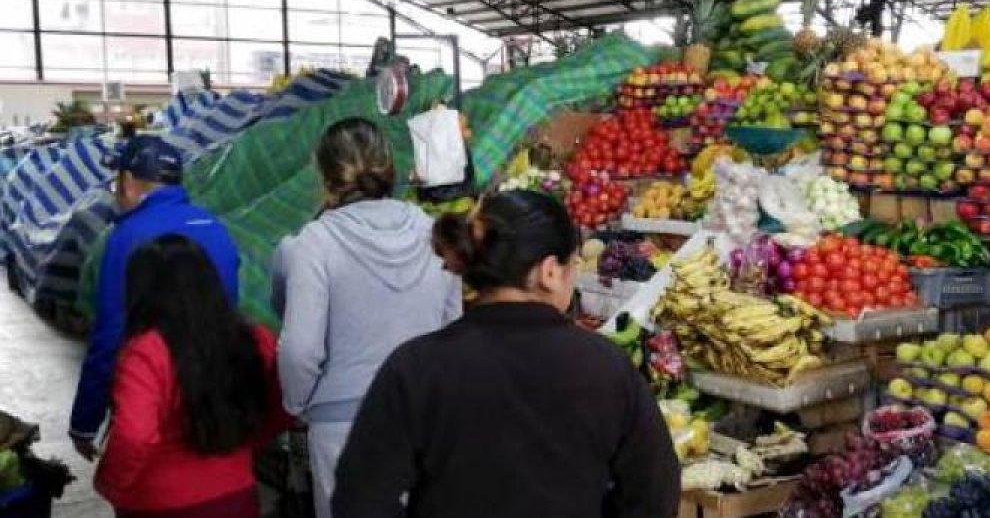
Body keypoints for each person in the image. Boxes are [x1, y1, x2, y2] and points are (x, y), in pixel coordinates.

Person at [332, 190, 681, 518]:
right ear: (549, 271)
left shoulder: (416, 367)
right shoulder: (608, 369)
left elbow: (360, 498)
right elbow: (654, 492)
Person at [273, 117, 461, 518]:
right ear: (391, 169)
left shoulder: (315, 243)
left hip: (344, 430)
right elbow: (452, 330)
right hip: (427, 420)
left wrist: (298, 403)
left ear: (325, 178)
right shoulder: (433, 232)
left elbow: (300, 349)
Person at [70, 135, 240, 460]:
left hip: (150, 396)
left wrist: (85, 422)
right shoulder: (214, 226)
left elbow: (109, 334)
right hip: (213, 398)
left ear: (130, 182)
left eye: (115, 180)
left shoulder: (128, 235)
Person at [95, 235, 288, 517]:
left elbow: (135, 435)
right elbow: (284, 405)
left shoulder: (147, 352)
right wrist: (247, 443)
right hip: (237, 495)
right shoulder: (255, 339)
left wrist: (110, 482)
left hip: (160, 502)